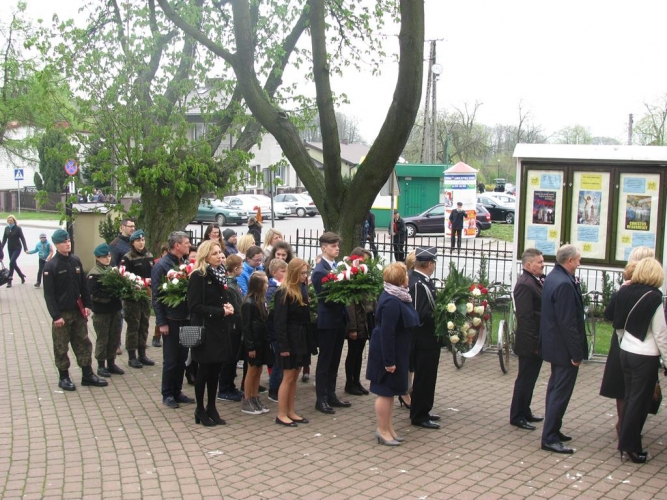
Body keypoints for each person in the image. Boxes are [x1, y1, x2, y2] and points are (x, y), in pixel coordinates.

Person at [608, 257, 667, 463]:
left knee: (630, 398)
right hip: (645, 355)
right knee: (639, 402)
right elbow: (660, 333)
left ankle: (626, 442)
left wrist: (623, 340)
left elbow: (617, 322)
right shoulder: (654, 297)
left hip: (626, 350)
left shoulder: (624, 291)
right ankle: (630, 446)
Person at [43, 229, 108, 391]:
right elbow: (49, 295)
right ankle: (64, 377)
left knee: (83, 342)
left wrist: (87, 305)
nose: (67, 244)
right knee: (61, 346)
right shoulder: (51, 266)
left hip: (77, 311)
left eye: (68, 241)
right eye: (63, 242)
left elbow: (83, 285)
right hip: (62, 313)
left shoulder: (75, 260)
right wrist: (55, 316)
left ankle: (87, 374)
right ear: (56, 245)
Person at [601, 247, 654, 437]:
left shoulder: (625, 288)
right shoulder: (650, 291)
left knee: (622, 387)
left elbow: (609, 315)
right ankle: (627, 428)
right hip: (638, 342)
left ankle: (625, 425)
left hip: (622, 341)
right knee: (630, 387)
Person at [366, 262, 420, 445]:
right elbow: (387, 333)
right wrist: (389, 361)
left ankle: (388, 428)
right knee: (384, 392)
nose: (408, 277)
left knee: (390, 392)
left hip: (397, 350)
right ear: (399, 279)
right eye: (405, 274)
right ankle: (382, 430)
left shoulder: (398, 295)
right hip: (388, 353)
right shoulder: (391, 301)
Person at [539, 244, 585, 454]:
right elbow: (568, 322)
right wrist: (576, 353)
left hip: (554, 345)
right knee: (560, 393)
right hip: (564, 348)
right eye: (578, 260)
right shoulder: (564, 283)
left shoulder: (554, 277)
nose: (579, 263)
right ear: (570, 261)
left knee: (555, 389)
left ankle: (554, 429)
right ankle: (549, 437)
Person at [187, 240, 236, 427]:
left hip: (220, 328)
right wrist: (219, 311)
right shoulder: (198, 276)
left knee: (216, 370)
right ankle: (200, 409)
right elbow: (194, 306)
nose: (219, 256)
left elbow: (219, 298)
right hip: (206, 329)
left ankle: (212, 407)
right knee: (205, 370)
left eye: (219, 252)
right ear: (205, 255)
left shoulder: (220, 272)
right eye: (214, 253)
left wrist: (227, 306)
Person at [152, 231, 195, 409]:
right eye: (186, 243)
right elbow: (157, 297)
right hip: (171, 319)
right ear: (177, 245)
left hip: (186, 318)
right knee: (171, 360)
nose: (189, 245)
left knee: (183, 357)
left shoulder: (183, 263)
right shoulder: (161, 266)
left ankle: (177, 391)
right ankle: (167, 394)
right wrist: (161, 323)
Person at [273, 258, 316, 426]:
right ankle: (281, 414)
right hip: (290, 338)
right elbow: (279, 321)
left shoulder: (301, 288)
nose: (305, 276)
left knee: (295, 375)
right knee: (288, 376)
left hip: (301, 337)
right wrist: (283, 345)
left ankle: (290, 411)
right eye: (302, 273)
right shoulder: (283, 292)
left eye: (306, 272)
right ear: (294, 273)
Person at [311, 232, 350, 414]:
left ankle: (331, 394)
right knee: (325, 361)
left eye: (337, 245)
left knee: (335, 359)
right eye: (333, 246)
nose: (337, 248)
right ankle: (321, 399)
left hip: (339, 319)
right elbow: (326, 298)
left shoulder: (337, 266)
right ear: (324, 248)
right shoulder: (320, 271)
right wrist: (344, 292)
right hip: (328, 320)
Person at [510, 248, 546, 431]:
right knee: (524, 379)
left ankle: (525, 410)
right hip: (529, 341)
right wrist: (534, 343)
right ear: (529, 264)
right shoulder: (525, 284)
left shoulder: (534, 280)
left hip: (536, 339)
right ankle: (517, 415)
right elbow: (526, 317)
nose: (543, 265)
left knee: (531, 378)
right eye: (540, 262)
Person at [408, 246, 442, 429]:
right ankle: (419, 415)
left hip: (427, 340)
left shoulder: (421, 280)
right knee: (424, 378)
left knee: (428, 377)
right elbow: (419, 314)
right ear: (429, 264)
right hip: (424, 340)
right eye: (433, 263)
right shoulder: (418, 284)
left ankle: (424, 409)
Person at [87, 243, 124, 377]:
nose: (107, 259)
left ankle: (111, 363)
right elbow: (93, 295)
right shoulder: (94, 274)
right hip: (102, 311)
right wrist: (109, 297)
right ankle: (101, 365)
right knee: (103, 338)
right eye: (104, 257)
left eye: (108, 256)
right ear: (97, 258)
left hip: (115, 309)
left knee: (114, 337)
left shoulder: (112, 270)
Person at [120, 230, 155, 368]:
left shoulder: (149, 255)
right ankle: (132, 356)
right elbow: (125, 277)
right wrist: (140, 282)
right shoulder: (127, 258)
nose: (141, 243)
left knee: (144, 325)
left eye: (143, 240)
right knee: (134, 326)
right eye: (138, 241)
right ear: (133, 243)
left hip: (146, 295)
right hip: (132, 297)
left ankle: (142, 354)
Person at [344, 248, 376, 396]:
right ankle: (349, 383)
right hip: (357, 321)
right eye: (364, 261)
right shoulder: (350, 277)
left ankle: (356, 381)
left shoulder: (365, 276)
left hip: (365, 320)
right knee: (353, 353)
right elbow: (350, 305)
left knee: (359, 353)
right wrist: (352, 328)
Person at [241, 271, 272, 415]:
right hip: (253, 343)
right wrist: (250, 347)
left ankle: (255, 396)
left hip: (262, 341)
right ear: (258, 285)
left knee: (258, 370)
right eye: (265, 283)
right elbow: (246, 327)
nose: (267, 285)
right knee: (251, 371)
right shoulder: (248, 303)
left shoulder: (262, 300)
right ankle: (247, 399)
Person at [217, 254, 245, 403]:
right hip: (232, 327)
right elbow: (236, 308)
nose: (242, 269)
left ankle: (230, 386)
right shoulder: (230, 286)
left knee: (233, 358)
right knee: (229, 359)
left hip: (235, 326)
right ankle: (224, 389)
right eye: (241, 267)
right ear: (235, 269)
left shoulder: (234, 284)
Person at [266, 258, 288, 403]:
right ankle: (273, 390)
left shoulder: (281, 287)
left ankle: (279, 387)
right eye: (283, 271)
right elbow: (272, 312)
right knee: (278, 363)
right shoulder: (272, 289)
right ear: (274, 273)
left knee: (281, 362)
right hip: (274, 331)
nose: (286, 274)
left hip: (278, 330)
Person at [1, 214, 28, 287]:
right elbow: (4, 239)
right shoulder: (6, 228)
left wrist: (25, 248)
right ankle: (21, 276)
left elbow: (22, 238)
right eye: (8, 220)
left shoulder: (18, 228)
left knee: (11, 262)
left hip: (17, 248)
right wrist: (1, 249)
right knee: (13, 264)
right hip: (10, 248)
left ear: (14, 221)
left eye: (11, 220)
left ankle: (9, 280)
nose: (10, 221)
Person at [151, 242, 170, 347]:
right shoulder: (157, 263)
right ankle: (156, 336)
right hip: (160, 289)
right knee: (159, 316)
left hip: (168, 291)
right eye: (165, 252)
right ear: (162, 253)